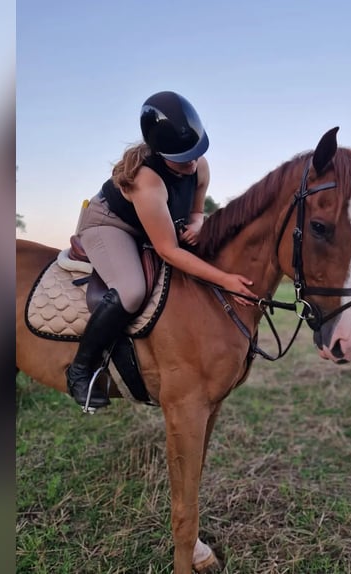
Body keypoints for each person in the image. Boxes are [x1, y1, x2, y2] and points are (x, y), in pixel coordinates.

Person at [66, 91, 257, 409]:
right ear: (160, 152)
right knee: (131, 291)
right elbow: (167, 250)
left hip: (152, 225)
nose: (192, 162)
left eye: (195, 153)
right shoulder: (147, 180)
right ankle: (80, 369)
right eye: (182, 158)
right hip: (110, 225)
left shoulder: (200, 166)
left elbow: (196, 211)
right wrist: (225, 280)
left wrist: (198, 223)